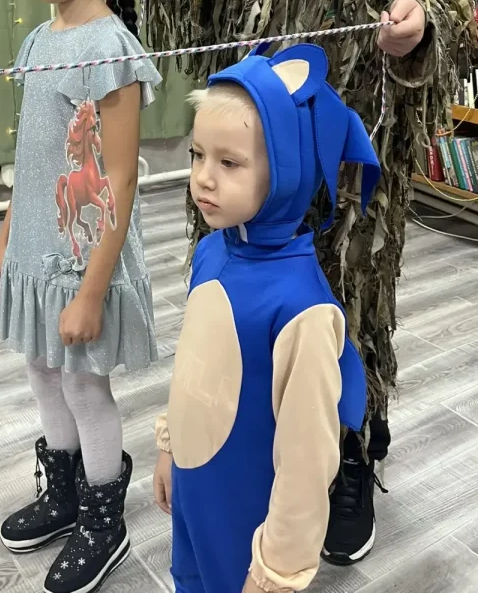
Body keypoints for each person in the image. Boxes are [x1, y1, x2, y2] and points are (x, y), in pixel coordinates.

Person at [130, 0, 477, 564]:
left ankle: (351, 451)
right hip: (253, 150)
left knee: (346, 294)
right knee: (249, 294)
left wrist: (418, 21)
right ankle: (255, 440)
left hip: (346, 143)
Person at [152, 42, 380, 593]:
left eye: (229, 163)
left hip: (246, 519)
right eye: (197, 155)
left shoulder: (302, 309)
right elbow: (193, 367)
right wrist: (169, 446)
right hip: (196, 492)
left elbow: (308, 463)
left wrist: (277, 571)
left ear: (286, 172)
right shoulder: (212, 252)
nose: (204, 178)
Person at [0, 0, 162, 593]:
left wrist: (92, 290)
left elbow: (119, 177)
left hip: (82, 253)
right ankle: (63, 494)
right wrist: (7, 242)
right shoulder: (39, 38)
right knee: (40, 367)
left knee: (84, 384)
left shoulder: (111, 49)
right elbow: (32, 158)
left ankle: (103, 520)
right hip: (35, 246)